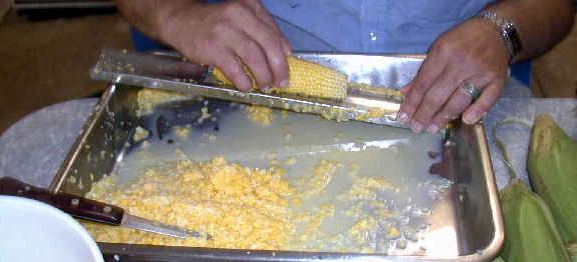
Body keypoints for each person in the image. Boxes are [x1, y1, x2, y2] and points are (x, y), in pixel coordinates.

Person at [114, 0, 574, 133]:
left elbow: (558, 9)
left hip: (473, 93)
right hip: (240, 89)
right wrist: (177, 14)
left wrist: (502, 30)